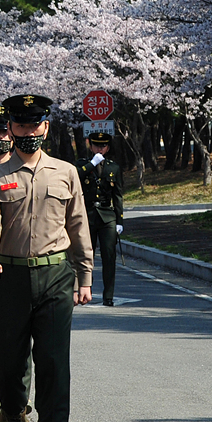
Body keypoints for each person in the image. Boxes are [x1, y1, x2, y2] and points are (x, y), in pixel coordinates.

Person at [0, 94, 93, 422]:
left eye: (34, 124)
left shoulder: (65, 172)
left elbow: (78, 226)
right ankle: (16, 421)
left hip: (56, 275)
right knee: (10, 360)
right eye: (20, 125)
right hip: (10, 276)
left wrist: (85, 276)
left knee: (55, 361)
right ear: (10, 129)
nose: (28, 132)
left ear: (45, 126)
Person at [77, 130, 124, 306]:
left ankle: (108, 295)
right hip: (87, 215)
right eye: (96, 145)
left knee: (109, 256)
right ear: (91, 146)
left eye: (103, 146)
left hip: (107, 216)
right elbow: (76, 176)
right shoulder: (83, 164)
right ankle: (86, 289)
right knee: (86, 256)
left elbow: (117, 195)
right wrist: (91, 164)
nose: (99, 149)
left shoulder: (113, 167)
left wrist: (119, 220)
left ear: (108, 148)